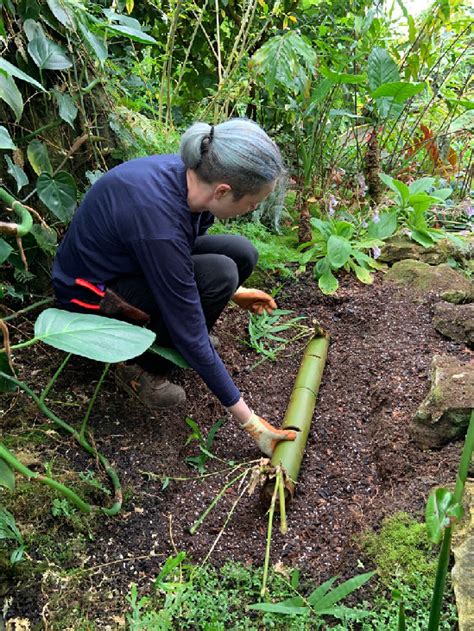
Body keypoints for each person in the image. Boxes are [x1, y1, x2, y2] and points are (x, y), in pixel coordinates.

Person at [52, 118, 296, 457]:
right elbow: (187, 314)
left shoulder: (192, 176)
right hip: (92, 295)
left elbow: (179, 251)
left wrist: (234, 294)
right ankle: (144, 369)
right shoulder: (158, 220)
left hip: (133, 260)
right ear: (223, 191)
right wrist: (252, 423)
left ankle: (169, 340)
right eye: (252, 203)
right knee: (220, 277)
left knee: (241, 254)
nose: (251, 210)